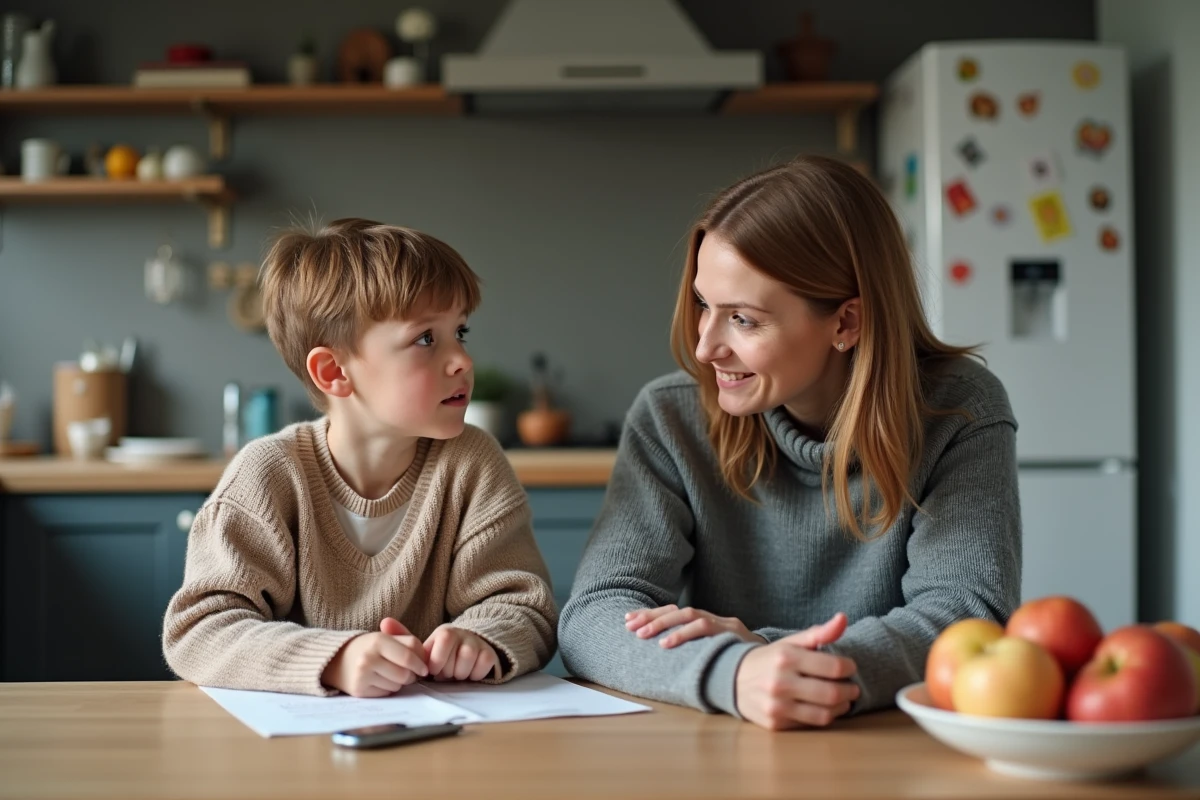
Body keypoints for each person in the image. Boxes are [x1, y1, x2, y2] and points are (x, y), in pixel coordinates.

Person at [559, 156, 1021, 730]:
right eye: (705, 305)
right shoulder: (670, 416)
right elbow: (593, 617)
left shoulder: (958, 411)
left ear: (846, 323)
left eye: (744, 320)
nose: (705, 347)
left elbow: (965, 621)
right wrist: (733, 673)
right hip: (725, 749)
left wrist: (770, 656)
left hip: (887, 749)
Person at [163, 218, 557, 697]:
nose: (462, 361)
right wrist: (334, 660)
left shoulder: (473, 464)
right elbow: (200, 631)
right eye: (426, 339)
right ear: (333, 372)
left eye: (460, 332)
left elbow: (525, 607)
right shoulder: (268, 475)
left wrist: (483, 639)